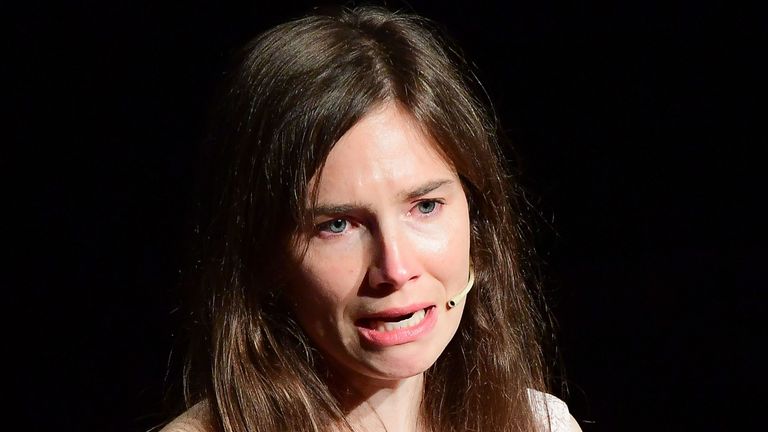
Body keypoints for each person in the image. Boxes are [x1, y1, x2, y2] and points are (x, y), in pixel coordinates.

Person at [161, 5, 581, 432]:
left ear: (477, 221)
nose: (395, 270)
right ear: (264, 253)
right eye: (337, 225)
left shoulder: (540, 423)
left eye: (425, 206)